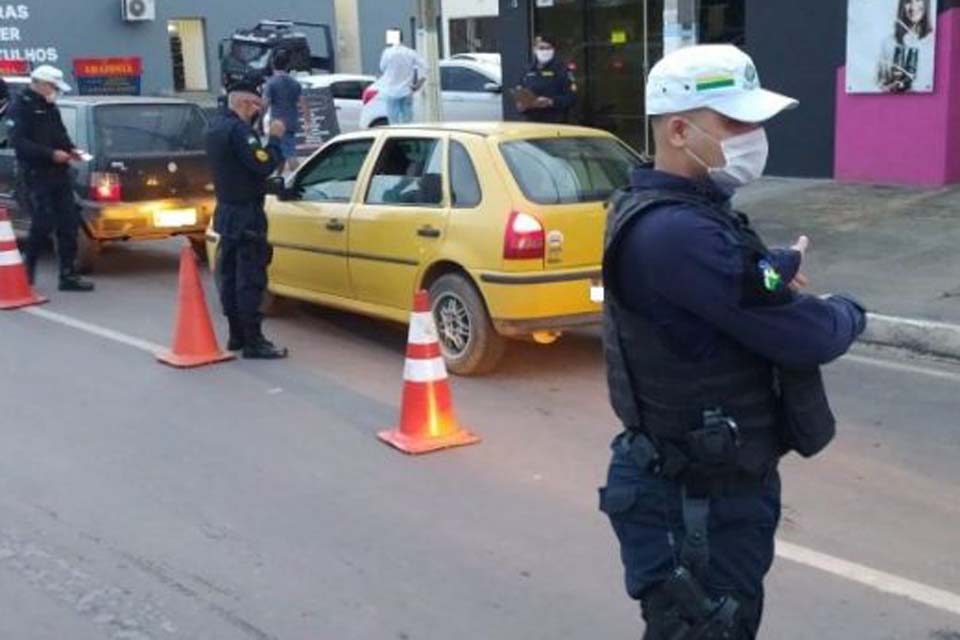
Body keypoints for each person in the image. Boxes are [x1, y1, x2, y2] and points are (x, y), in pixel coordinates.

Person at [598, 44, 867, 639]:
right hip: (693, 505)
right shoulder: (678, 231)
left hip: (708, 491)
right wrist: (849, 311)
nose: (755, 137)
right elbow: (804, 336)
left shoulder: (685, 212)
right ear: (679, 130)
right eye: (736, 123)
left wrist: (780, 263)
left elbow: (742, 278)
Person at [206, 79, 289, 360]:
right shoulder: (239, 131)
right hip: (246, 215)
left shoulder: (215, 127)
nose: (258, 111)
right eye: (256, 105)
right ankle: (254, 341)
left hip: (227, 211)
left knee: (229, 276)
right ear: (244, 103)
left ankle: (236, 335)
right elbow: (262, 164)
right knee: (250, 278)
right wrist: (275, 138)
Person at [7, 65, 93, 291]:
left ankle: (68, 276)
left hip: (59, 174)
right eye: (53, 87)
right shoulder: (20, 106)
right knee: (42, 223)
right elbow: (19, 143)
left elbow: (60, 134)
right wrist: (50, 154)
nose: (55, 91)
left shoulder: (50, 106)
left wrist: (72, 150)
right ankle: (27, 272)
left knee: (69, 224)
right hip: (35, 174)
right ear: (41, 83)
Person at [263, 50, 310, 173]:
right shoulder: (294, 83)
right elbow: (303, 103)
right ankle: (278, 177)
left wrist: (259, 120)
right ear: (287, 65)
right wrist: (307, 121)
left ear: (273, 64)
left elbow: (265, 103)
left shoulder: (271, 83)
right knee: (279, 152)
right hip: (292, 121)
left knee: (290, 154)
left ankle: (299, 175)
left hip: (277, 123)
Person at [515, 35, 577, 123]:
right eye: (541, 48)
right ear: (534, 50)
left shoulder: (562, 70)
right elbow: (520, 92)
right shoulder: (528, 70)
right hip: (531, 121)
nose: (544, 51)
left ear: (553, 50)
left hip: (555, 121)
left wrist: (551, 102)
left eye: (548, 48)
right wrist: (521, 105)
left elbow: (571, 97)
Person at [877, 0, 934, 93]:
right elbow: (880, 83)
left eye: (918, 0)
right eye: (908, 1)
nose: (913, 7)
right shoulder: (889, 43)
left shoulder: (935, 42)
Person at [379, 28, 427, 125]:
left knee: (393, 123)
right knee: (408, 123)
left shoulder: (387, 53)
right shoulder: (410, 52)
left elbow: (382, 68)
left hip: (391, 92)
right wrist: (419, 83)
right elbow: (426, 67)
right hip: (407, 91)